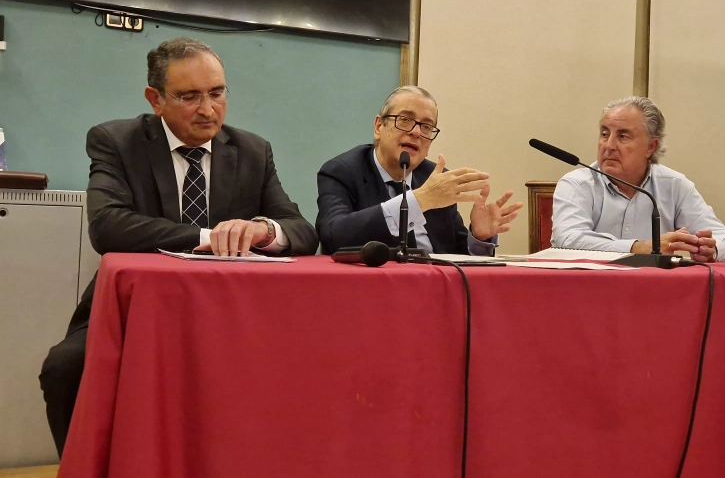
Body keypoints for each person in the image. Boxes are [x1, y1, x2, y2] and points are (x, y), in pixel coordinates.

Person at [39, 37, 318, 456]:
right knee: (64, 369)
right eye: (189, 97)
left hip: (229, 312)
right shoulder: (117, 142)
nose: (208, 109)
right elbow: (108, 226)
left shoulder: (252, 151)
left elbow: (303, 232)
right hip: (135, 307)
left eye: (217, 93)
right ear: (156, 99)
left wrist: (262, 230)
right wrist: (208, 237)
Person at [316, 86, 521, 255]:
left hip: (436, 286)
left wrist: (479, 237)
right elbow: (333, 236)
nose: (416, 132)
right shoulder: (342, 171)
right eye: (405, 120)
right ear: (379, 127)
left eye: (426, 127)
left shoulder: (434, 178)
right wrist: (420, 199)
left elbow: (456, 255)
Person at [551, 96, 725, 262]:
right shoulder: (578, 184)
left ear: (651, 147)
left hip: (655, 288)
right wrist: (639, 248)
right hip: (592, 286)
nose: (609, 145)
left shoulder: (674, 185)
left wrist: (710, 249)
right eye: (604, 134)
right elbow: (567, 239)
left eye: (623, 136)